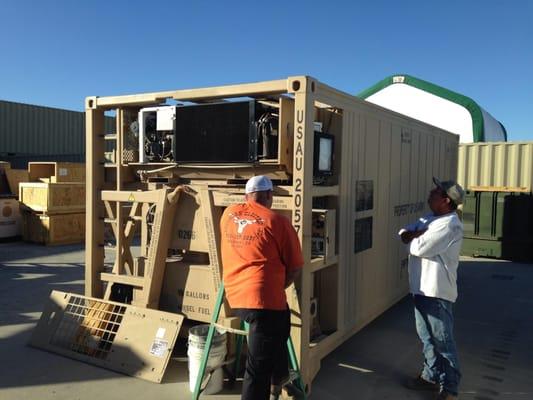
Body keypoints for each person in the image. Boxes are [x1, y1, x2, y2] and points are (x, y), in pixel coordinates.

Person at [220, 175, 304, 400]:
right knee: (257, 370)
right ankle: (275, 379)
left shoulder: (228, 215)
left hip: (235, 297)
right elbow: (295, 268)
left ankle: (280, 377)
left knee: (281, 324)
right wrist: (279, 285)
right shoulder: (278, 222)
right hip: (262, 302)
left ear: (247, 196)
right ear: (269, 195)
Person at [399, 177, 465, 400]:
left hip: (436, 292)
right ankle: (430, 377)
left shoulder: (449, 225)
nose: (430, 192)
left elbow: (418, 247)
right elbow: (403, 234)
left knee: (443, 341)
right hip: (421, 288)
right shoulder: (429, 218)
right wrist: (414, 234)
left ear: (446, 200)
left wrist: (416, 235)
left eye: (436, 191)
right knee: (427, 337)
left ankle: (450, 388)